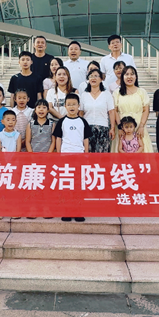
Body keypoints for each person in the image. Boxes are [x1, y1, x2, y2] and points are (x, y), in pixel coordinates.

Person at [53, 94, 92, 223]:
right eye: (69, 104)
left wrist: (86, 154)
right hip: (66, 156)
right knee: (67, 184)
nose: (71, 107)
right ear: (65, 106)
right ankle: (67, 210)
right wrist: (59, 154)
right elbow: (58, 139)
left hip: (79, 156)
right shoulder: (62, 121)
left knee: (78, 185)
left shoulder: (82, 122)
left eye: (74, 104)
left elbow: (86, 139)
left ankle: (78, 210)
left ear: (78, 106)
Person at [112, 66, 152, 153]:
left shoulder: (141, 92)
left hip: (138, 126)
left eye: (132, 74)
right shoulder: (117, 93)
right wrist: (120, 127)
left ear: (136, 77)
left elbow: (146, 110)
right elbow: (115, 110)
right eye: (126, 74)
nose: (129, 77)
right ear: (122, 77)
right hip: (123, 127)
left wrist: (141, 126)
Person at [79, 68, 116, 153]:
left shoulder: (106, 94)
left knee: (102, 155)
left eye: (96, 76)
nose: (93, 78)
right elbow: (81, 113)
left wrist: (112, 128)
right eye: (91, 76)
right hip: (87, 129)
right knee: (88, 154)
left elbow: (111, 112)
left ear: (101, 79)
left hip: (103, 128)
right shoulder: (84, 95)